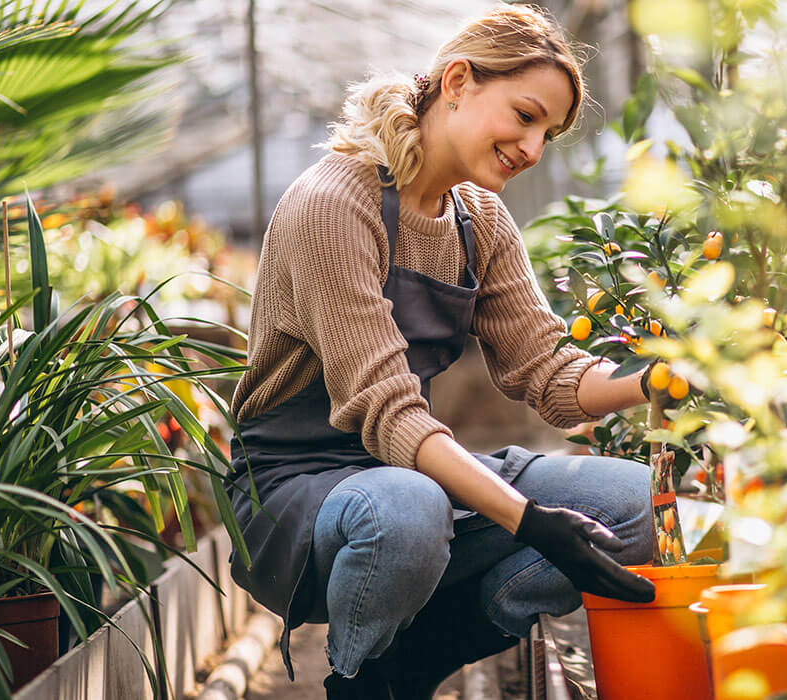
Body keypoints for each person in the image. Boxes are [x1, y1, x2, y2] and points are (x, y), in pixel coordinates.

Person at [226, 5, 662, 698]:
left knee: (634, 504)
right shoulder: (335, 204)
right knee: (407, 511)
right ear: (457, 80)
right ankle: (359, 677)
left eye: (547, 132)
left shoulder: (478, 217)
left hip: (412, 475)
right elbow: (391, 414)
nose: (533, 148)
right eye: (525, 116)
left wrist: (659, 380)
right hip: (297, 490)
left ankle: (422, 655)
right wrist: (528, 522)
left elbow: (548, 371)